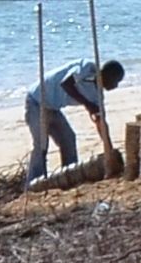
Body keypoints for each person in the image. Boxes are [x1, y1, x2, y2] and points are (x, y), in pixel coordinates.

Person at [25, 56, 125, 184]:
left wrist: (109, 150)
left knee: (68, 139)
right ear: (107, 74)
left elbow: (101, 123)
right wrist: (87, 104)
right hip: (37, 101)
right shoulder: (86, 68)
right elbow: (66, 84)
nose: (115, 86)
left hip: (53, 107)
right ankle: (33, 183)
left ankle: (70, 176)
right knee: (41, 145)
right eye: (115, 81)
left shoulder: (97, 96)